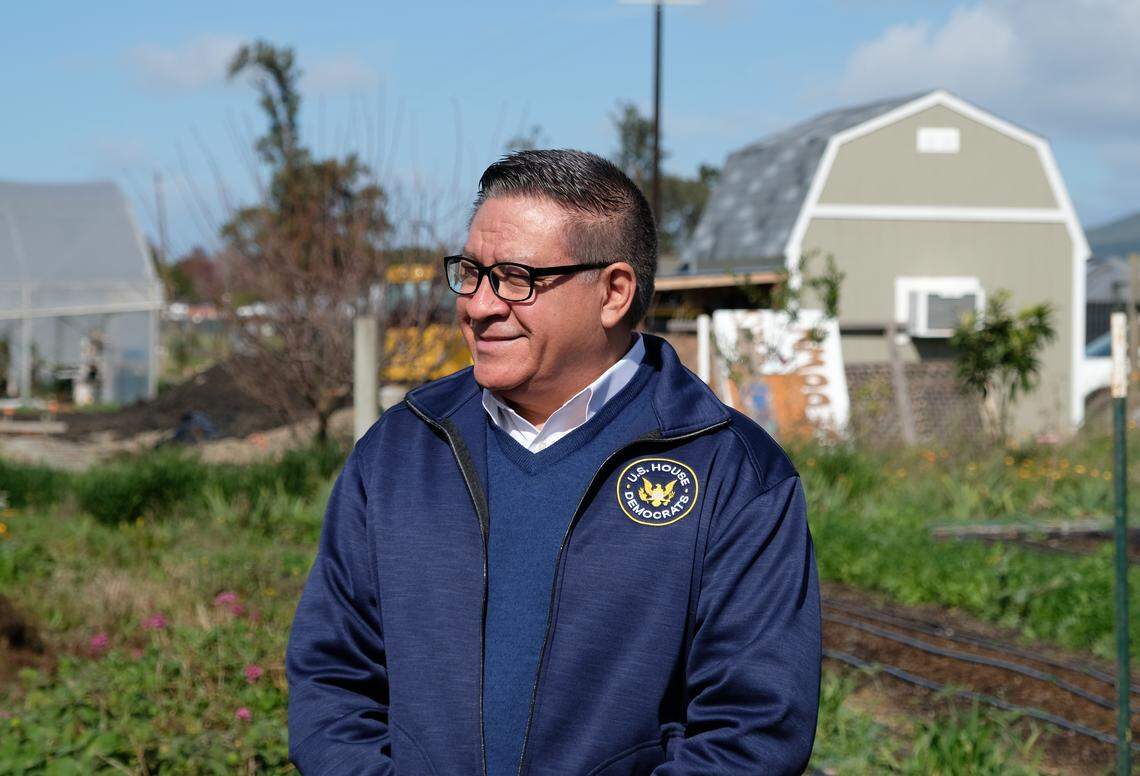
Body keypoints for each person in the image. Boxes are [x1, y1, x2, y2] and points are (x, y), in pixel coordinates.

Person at [286, 149, 821, 775]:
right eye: (470, 272)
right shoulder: (400, 453)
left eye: (517, 278)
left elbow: (751, 733)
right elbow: (332, 683)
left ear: (614, 292)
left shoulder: (732, 474)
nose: (479, 305)